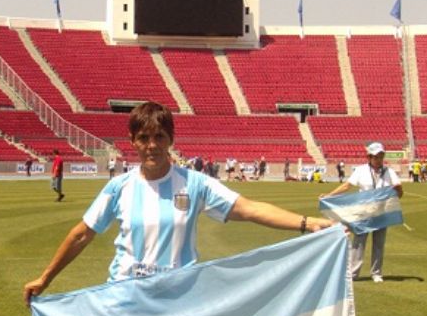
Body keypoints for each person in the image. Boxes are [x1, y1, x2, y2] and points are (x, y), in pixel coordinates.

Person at [23, 102, 335, 305]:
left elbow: (249, 208)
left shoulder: (195, 183)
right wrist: (45, 278)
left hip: (178, 303)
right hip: (125, 299)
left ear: (170, 140)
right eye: (144, 138)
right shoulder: (119, 187)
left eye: (159, 137)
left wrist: (307, 223)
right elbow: (82, 234)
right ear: (132, 142)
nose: (152, 145)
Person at [321, 142, 403, 283]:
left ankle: (376, 273)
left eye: (381, 156)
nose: (379, 159)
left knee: (379, 243)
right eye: (376, 157)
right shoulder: (360, 170)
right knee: (358, 243)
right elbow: (347, 185)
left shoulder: (389, 172)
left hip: (381, 212)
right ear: (369, 157)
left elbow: (399, 192)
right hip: (363, 213)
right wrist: (329, 195)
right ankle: (353, 273)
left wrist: (398, 191)